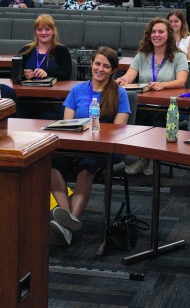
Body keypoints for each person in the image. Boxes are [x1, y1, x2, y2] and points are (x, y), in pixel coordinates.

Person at [49, 47, 131, 246]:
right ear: (91, 64)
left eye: (106, 66)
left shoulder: (119, 93)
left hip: (105, 148)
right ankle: (68, 218)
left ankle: (67, 226)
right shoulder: (77, 90)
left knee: (86, 170)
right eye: (97, 64)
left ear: (113, 70)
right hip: (75, 144)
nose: (100, 69)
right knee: (48, 163)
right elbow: (66, 124)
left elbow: (119, 129)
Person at [117, 17, 188, 176]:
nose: (156, 35)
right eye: (153, 32)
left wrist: (163, 85)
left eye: (161, 32)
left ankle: (151, 160)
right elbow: (130, 75)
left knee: (157, 119)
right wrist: (123, 80)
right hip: (145, 104)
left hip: (168, 106)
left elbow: (182, 81)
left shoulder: (179, 56)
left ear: (169, 34)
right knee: (138, 118)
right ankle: (145, 158)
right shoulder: (142, 55)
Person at [17, 14, 72, 81]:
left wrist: (47, 74)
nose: (43, 33)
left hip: (53, 89)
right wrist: (24, 75)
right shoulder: (26, 50)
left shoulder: (62, 50)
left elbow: (66, 75)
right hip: (28, 89)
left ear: (53, 31)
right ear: (35, 32)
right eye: (39, 29)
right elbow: (13, 73)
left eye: (47, 29)